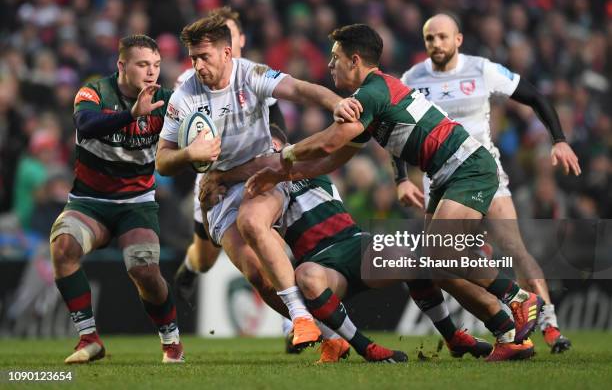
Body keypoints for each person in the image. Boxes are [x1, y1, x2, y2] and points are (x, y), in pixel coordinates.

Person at [244, 23, 548, 359]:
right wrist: (279, 173)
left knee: (440, 253)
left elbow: (330, 141)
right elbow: (330, 161)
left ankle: (520, 299)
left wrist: (286, 154)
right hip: (449, 173)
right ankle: (508, 336)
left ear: (355, 60)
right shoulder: (374, 98)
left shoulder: (370, 94)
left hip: (467, 168)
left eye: (335, 58)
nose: (330, 66)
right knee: (438, 264)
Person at [204, 125, 532, 362]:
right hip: (321, 262)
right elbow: (250, 224)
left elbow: (302, 157)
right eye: (262, 151)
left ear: (285, 145)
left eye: (272, 147)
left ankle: (461, 334)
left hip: (356, 244)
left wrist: (223, 176)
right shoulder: (259, 194)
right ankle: (365, 347)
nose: (267, 156)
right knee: (305, 277)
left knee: (422, 258)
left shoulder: (300, 165)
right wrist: (217, 184)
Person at [155, 13, 361, 349]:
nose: (198, 66)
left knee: (254, 223)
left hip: (261, 176)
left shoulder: (250, 74)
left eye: (204, 57)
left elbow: (297, 88)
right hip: (218, 191)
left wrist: (338, 102)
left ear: (226, 53)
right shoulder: (185, 96)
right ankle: (328, 335)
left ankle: (302, 319)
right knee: (257, 275)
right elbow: (162, 160)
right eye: (193, 58)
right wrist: (189, 154)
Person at [398, 13, 579, 353]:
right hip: (437, 180)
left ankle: (550, 327)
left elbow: (536, 96)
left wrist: (559, 139)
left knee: (513, 246)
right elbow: (395, 126)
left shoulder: (481, 69)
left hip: (483, 173)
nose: (436, 44)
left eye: (442, 37)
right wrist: (400, 178)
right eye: (429, 38)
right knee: (440, 266)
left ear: (458, 39)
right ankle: (503, 326)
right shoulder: (413, 78)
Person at [50, 35, 201, 364]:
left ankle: (171, 341)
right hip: (89, 201)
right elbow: (85, 124)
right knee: (63, 246)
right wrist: (131, 115)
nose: (151, 72)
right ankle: (89, 339)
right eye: (143, 64)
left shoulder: (167, 101)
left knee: (144, 269)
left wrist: (201, 145)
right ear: (121, 65)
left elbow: (195, 131)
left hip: (136, 202)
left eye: (157, 65)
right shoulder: (94, 93)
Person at [170, 6, 296, 352]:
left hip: (254, 168)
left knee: (273, 237)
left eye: (227, 33)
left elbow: (277, 118)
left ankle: (293, 323)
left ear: (236, 41)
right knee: (207, 256)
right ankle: (192, 265)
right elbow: (181, 133)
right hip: (213, 179)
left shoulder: (255, 74)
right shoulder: (190, 83)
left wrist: (277, 143)